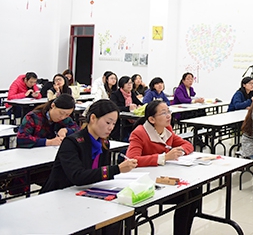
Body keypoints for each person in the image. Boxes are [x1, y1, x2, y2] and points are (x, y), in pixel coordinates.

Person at [41, 100, 138, 232]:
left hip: (87, 193)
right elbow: (78, 177)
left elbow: (101, 176)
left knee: (116, 216)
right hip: (61, 197)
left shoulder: (104, 143)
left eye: (114, 124)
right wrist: (117, 169)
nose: (111, 128)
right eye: (108, 122)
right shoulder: (72, 142)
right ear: (93, 118)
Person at [127, 100, 199, 235]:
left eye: (168, 111)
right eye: (163, 113)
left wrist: (180, 151)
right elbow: (132, 160)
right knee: (187, 196)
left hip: (163, 177)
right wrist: (164, 157)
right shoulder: (139, 133)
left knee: (194, 192)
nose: (168, 116)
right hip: (145, 184)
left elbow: (187, 145)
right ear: (151, 119)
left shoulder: (167, 130)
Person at [109, 76, 143, 141]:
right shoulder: (115, 94)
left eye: (131, 83)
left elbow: (140, 103)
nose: (130, 85)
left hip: (131, 120)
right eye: (127, 83)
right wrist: (128, 108)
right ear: (122, 84)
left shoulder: (131, 94)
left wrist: (139, 106)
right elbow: (114, 107)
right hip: (120, 120)